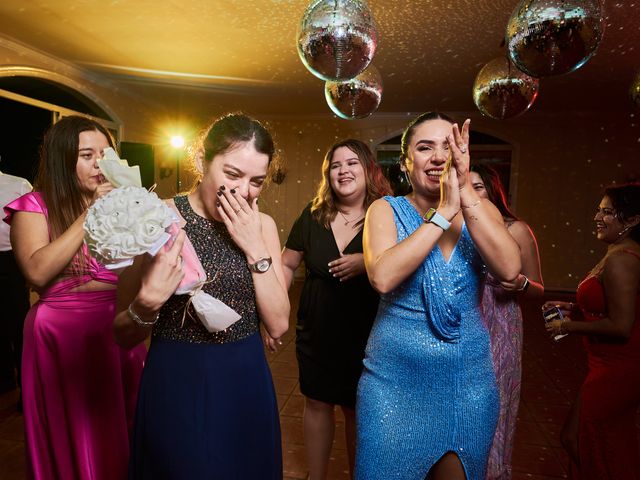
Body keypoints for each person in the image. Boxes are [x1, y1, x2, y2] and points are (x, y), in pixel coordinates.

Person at [113, 113, 290, 479]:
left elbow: (278, 322)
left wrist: (255, 247)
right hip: (177, 379)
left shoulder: (264, 226)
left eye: (257, 181)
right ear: (200, 162)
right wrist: (146, 304)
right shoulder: (155, 218)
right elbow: (122, 334)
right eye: (232, 174)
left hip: (245, 378)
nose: (244, 192)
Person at [356, 112, 521, 480]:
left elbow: (510, 269)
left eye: (447, 146)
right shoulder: (384, 210)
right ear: (405, 161)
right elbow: (382, 277)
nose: (437, 156)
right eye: (424, 147)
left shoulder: (481, 210)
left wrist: (463, 196)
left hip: (468, 387)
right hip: (393, 386)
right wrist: (442, 214)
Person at [3, 115, 147, 480]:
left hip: (117, 327)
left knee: (125, 423)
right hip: (59, 335)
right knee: (75, 428)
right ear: (63, 159)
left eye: (105, 153)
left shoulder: (124, 205)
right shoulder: (34, 205)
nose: (100, 164)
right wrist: (89, 213)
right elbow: (37, 271)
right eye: (87, 155)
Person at [280, 139, 392, 479]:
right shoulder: (313, 215)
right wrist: (276, 309)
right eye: (335, 165)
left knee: (357, 407)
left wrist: (369, 262)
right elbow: (286, 264)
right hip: (316, 328)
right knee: (315, 401)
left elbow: (406, 265)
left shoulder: (387, 213)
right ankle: (316, 475)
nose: (343, 171)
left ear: (369, 169)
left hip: (368, 330)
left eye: (351, 163)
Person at [544, 182, 640, 480]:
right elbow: (611, 308)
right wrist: (577, 309)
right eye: (598, 210)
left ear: (633, 220)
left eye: (608, 212)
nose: (597, 217)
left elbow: (622, 326)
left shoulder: (623, 260)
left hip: (619, 368)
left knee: (593, 442)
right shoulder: (615, 252)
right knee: (581, 438)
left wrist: (567, 325)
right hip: (603, 364)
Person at [470, 164, 544, 480]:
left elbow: (539, 287)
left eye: (478, 187)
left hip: (500, 324)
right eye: (464, 185)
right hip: (466, 319)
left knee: (494, 406)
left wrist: (524, 285)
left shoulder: (516, 229)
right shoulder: (453, 227)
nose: (470, 193)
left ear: (492, 191)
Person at [0, 169, 32, 400]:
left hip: (12, 259)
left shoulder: (19, 184)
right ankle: (4, 380)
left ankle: (26, 386)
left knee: (19, 323)